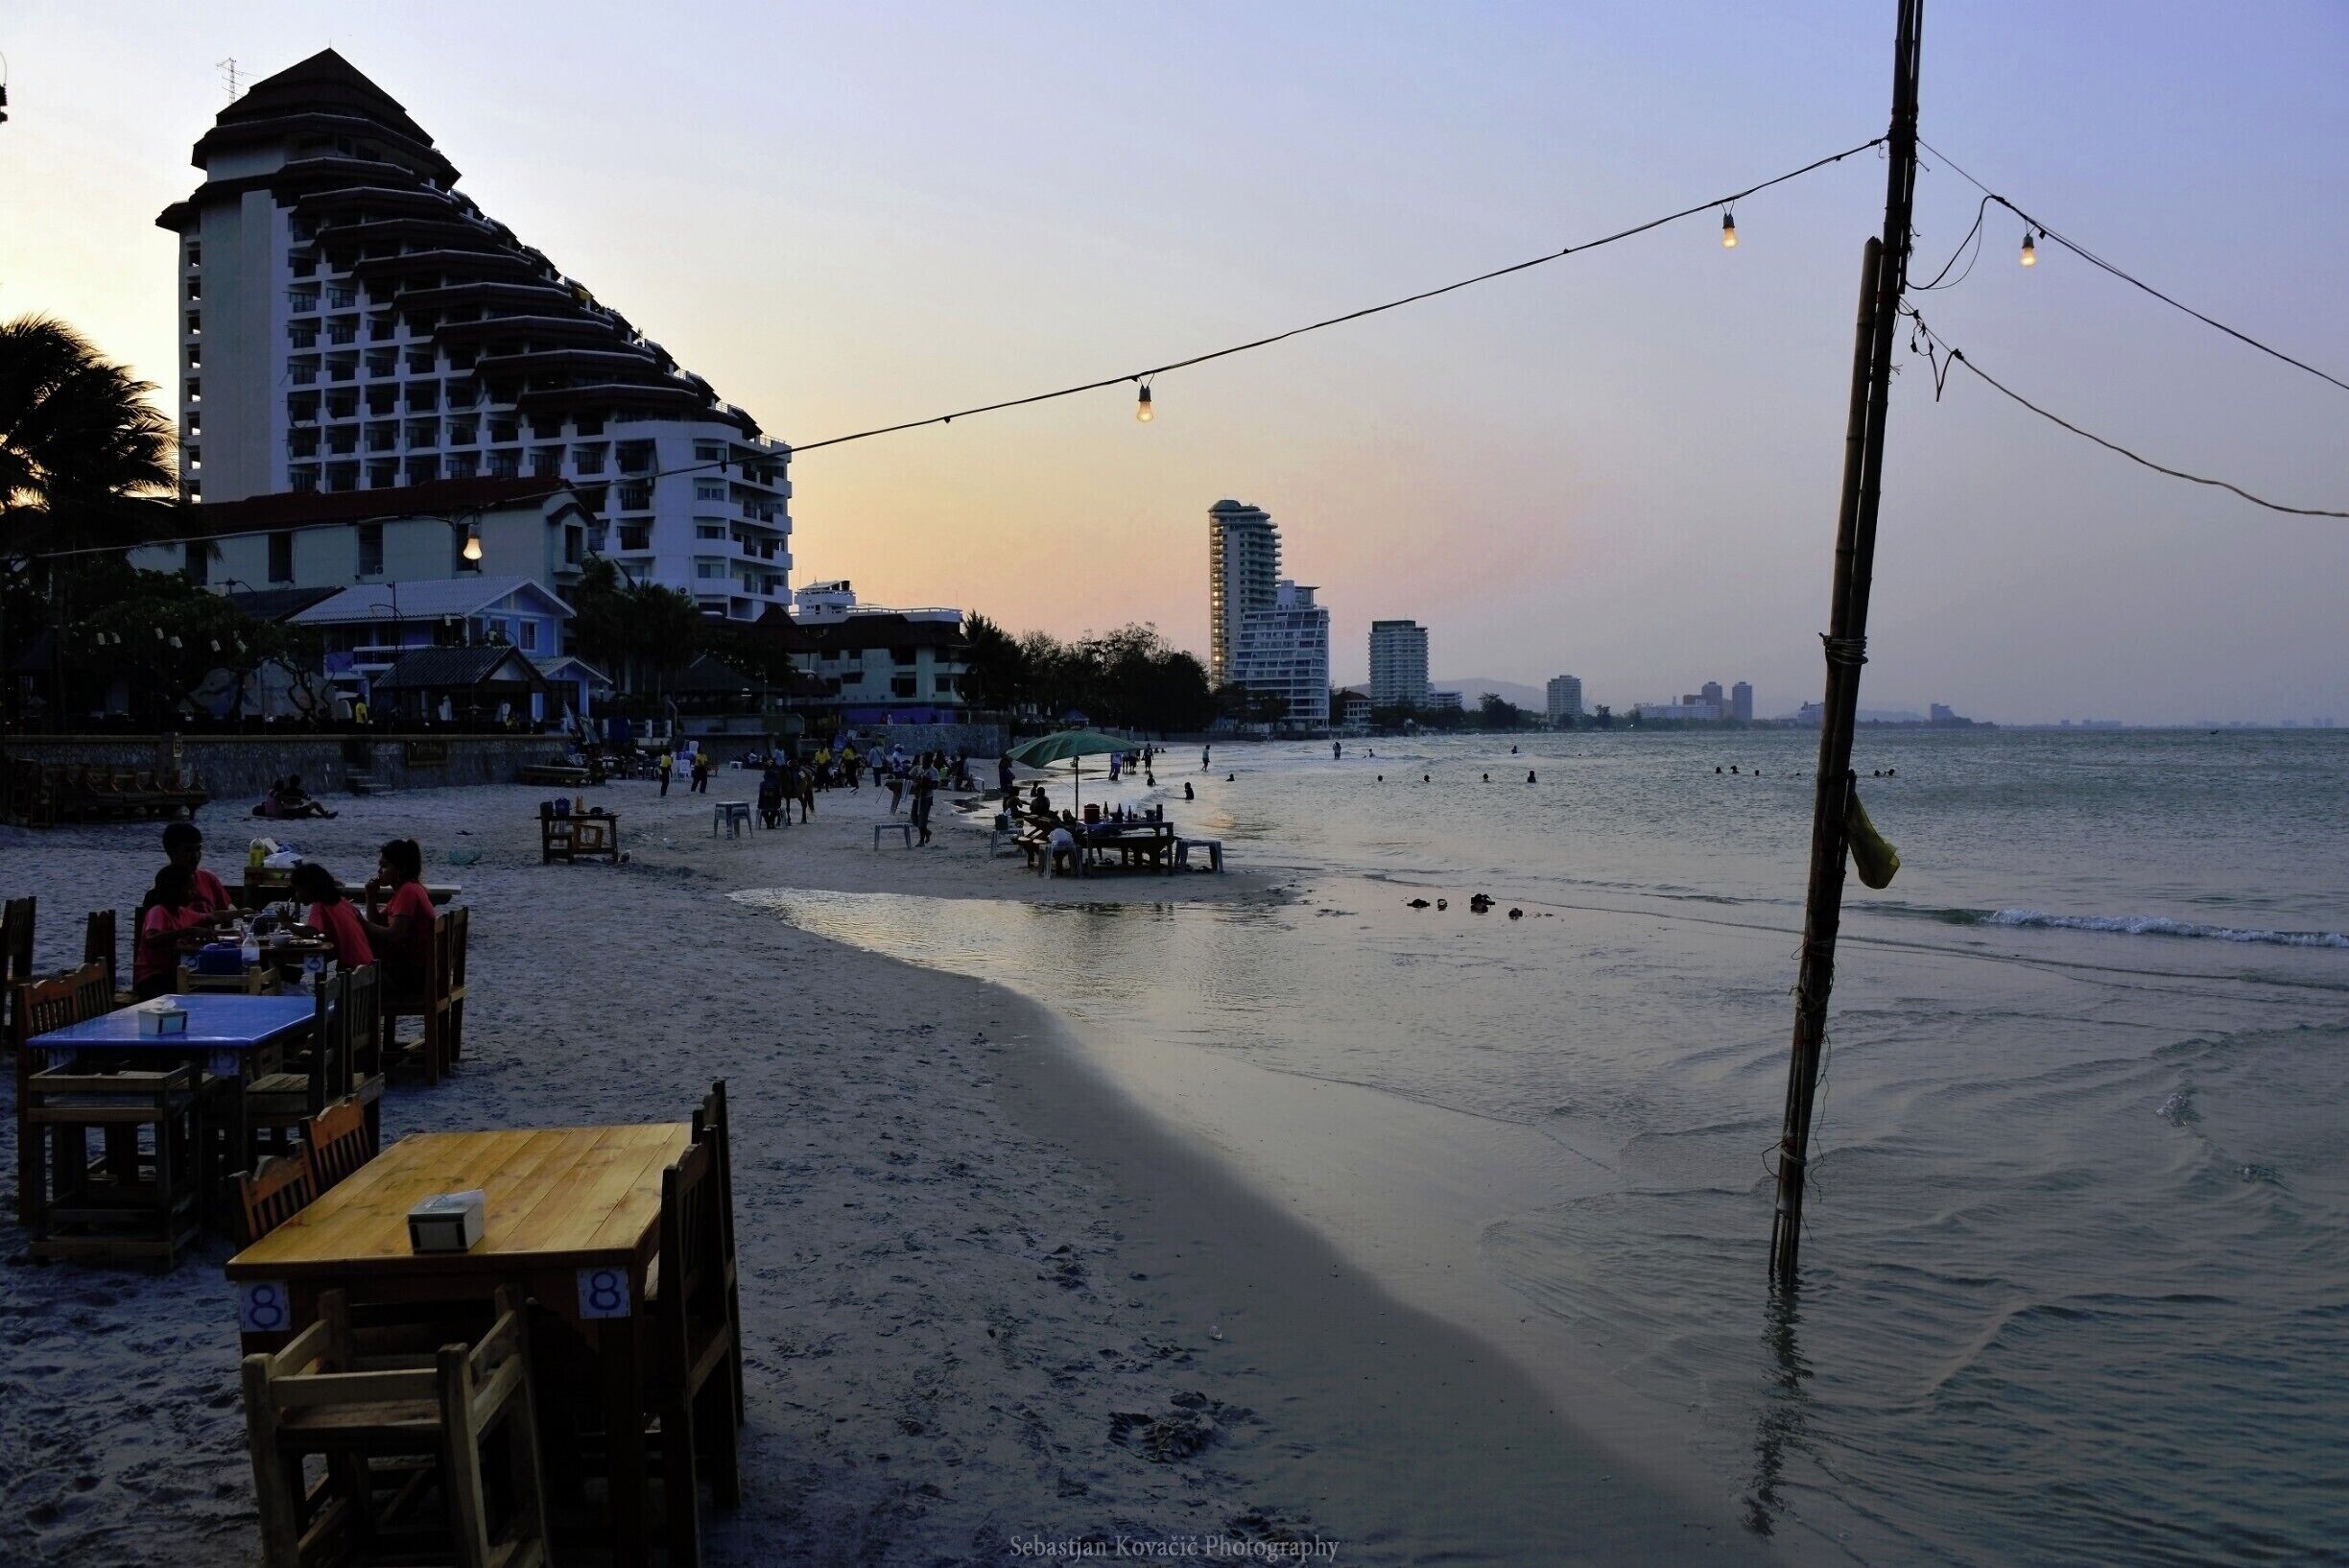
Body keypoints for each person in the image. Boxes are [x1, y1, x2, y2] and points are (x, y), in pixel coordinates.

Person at [361, 838, 436, 999]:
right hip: (417, 971)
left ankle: (353, 1021)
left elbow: (394, 934)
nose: (379, 871)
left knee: (354, 973)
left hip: (414, 979)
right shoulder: (406, 890)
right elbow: (378, 923)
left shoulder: (408, 892)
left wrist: (361, 923)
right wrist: (371, 897)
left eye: (385, 866)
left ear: (401, 868)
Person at [133, 865, 217, 1000]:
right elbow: (151, 939)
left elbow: (212, 917)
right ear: (174, 890)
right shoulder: (158, 911)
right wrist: (189, 930)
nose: (193, 892)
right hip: (151, 979)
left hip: (171, 974)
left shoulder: (182, 912)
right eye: (189, 888)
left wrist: (242, 912)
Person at [291, 862, 374, 970]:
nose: (296, 895)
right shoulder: (343, 902)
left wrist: (288, 923)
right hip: (368, 964)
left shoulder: (319, 906)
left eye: (297, 890)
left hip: (351, 967)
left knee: (311, 966)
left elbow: (310, 933)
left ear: (309, 889)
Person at [162, 821, 234, 914]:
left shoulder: (209, 879)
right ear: (171, 852)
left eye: (198, 849)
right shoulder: (163, 886)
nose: (195, 856)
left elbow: (228, 909)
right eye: (188, 850)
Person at [758, 765, 786, 829]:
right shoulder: (777, 784)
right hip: (774, 805)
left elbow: (761, 796)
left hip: (764, 805)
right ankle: (771, 822)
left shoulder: (762, 784)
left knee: (764, 812)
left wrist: (759, 805)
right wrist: (778, 804)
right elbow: (778, 795)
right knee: (775, 812)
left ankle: (768, 823)